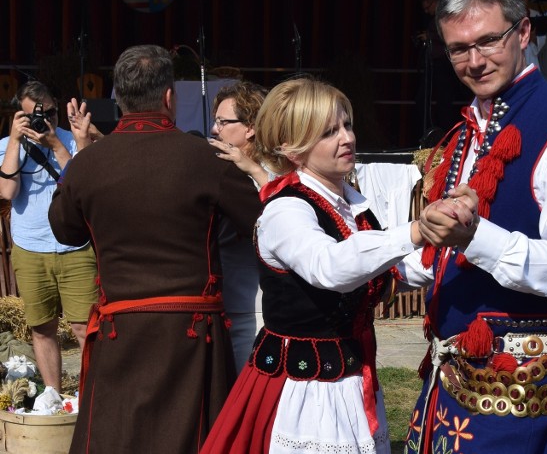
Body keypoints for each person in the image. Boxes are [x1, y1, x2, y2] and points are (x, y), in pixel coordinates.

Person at [404, 0, 547, 453]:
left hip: (522, 407)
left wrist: (476, 236)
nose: (474, 61)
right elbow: (436, 263)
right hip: (448, 396)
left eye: (487, 41)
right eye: (459, 49)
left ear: (523, 33)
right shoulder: (464, 133)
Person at [200, 77, 436, 454]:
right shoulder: (286, 209)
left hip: (351, 375)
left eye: (347, 125)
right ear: (292, 149)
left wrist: (453, 255)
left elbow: (379, 273)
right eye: (329, 131)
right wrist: (414, 231)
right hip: (305, 389)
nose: (347, 138)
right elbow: (330, 268)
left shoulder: (349, 202)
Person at [48, 44, 263, 453]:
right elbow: (260, 224)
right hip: (191, 333)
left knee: (119, 438)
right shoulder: (209, 158)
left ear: (119, 98)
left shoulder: (88, 164)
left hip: (121, 332)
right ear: (169, 97)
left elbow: (65, 231)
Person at [0, 81, 98, 393]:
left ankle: (91, 396)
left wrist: (56, 145)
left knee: (86, 328)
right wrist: (16, 140)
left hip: (76, 247)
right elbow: (7, 191)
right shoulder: (6, 146)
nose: (45, 121)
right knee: (42, 328)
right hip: (30, 247)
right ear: (20, 115)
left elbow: (81, 187)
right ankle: (54, 396)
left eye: (51, 113)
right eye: (34, 116)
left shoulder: (72, 141)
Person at [207, 80, 269, 373]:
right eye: (215, 121)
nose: (214, 129)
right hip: (227, 302)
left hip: (257, 308)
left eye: (222, 121)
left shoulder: (276, 170)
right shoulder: (219, 171)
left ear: (251, 127)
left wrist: (255, 172)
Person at [414, 0, 465, 144]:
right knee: (429, 101)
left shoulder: (445, 18)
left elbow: (450, 37)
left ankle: (448, 137)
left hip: (443, 64)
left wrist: (430, 36)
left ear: (435, 3)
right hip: (434, 64)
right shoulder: (434, 20)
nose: (426, 10)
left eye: (427, 6)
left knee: (444, 102)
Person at [518, 0, 547, 68]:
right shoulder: (510, 13)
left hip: (531, 55)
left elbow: (542, 36)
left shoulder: (536, 14)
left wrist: (534, 38)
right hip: (517, 55)